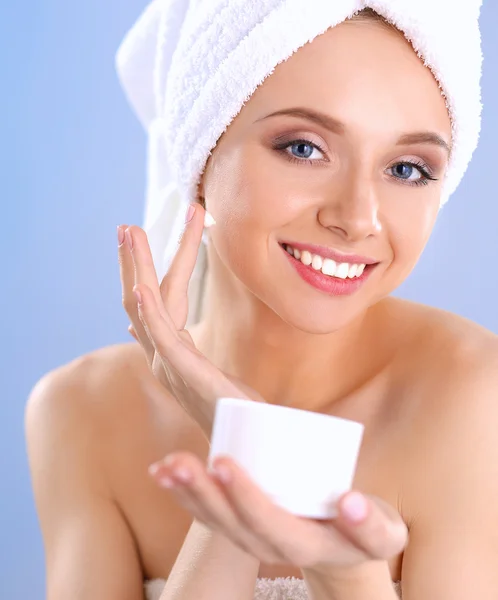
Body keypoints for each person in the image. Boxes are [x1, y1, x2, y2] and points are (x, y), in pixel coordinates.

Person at [26, 1, 498, 599]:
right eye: (304, 148)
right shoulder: (83, 412)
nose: (357, 219)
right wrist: (246, 449)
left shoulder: (472, 396)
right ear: (200, 149)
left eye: (407, 168)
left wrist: (346, 569)